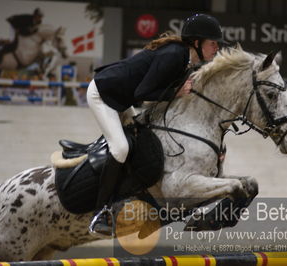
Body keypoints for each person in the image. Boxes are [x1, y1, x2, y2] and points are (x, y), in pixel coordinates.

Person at [87, 13, 224, 237]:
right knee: (121, 148)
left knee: (143, 142)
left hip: (123, 97)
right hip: (104, 94)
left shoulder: (188, 60)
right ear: (197, 43)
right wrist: (176, 92)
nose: (216, 48)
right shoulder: (173, 56)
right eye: (213, 43)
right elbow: (143, 93)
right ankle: (100, 212)